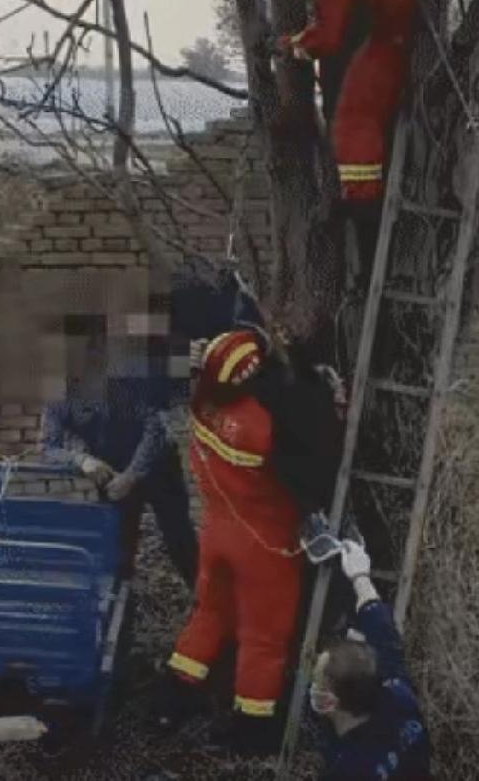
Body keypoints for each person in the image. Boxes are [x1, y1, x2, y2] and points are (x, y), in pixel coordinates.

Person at [249, 0, 417, 283]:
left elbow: (328, 37)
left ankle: (365, 218)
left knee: (353, 120)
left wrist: (287, 45)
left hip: (397, 28)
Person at [151, 329, 308, 756]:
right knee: (264, 638)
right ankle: (251, 730)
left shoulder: (202, 403)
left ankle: (172, 699)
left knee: (210, 615)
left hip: (216, 532)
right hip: (264, 543)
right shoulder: (261, 423)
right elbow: (307, 461)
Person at [40, 314, 198, 588]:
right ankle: (119, 617)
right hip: (111, 473)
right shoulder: (58, 393)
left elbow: (156, 428)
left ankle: (205, 602)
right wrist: (82, 460)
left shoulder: (129, 375)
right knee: (117, 554)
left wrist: (133, 475)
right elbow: (47, 448)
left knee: (179, 540)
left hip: (157, 466)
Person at [307, 536, 430, 780]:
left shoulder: (346, 769)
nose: (313, 688)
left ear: (329, 702)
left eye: (317, 681)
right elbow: (385, 638)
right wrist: (360, 577)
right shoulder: (398, 697)